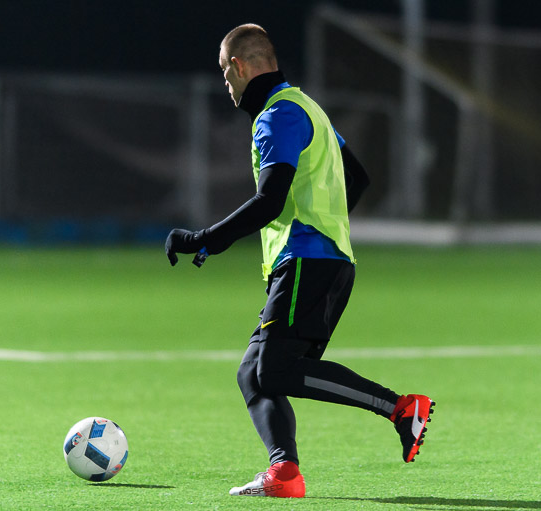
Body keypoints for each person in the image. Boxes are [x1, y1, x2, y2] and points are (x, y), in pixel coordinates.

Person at [165, 23, 434, 498]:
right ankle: (284, 473)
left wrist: (205, 238)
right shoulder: (308, 108)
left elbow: (269, 201)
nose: (226, 86)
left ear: (239, 66)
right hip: (321, 261)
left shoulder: (277, 115)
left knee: (273, 370)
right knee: (254, 372)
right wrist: (326, 226)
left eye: (225, 74)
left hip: (308, 263)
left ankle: (399, 408)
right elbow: (358, 177)